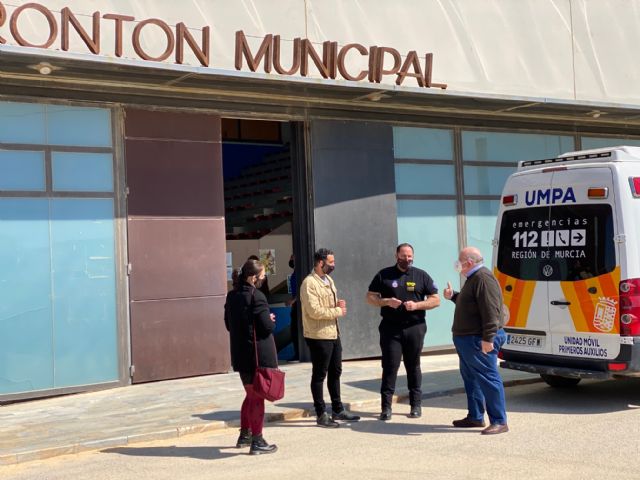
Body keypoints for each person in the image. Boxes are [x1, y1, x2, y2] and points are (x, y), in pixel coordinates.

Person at [366, 243, 440, 421]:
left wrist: (417, 305)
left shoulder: (421, 275)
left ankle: (415, 405)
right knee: (390, 366)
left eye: (410, 256)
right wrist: (385, 302)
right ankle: (386, 408)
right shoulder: (384, 274)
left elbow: (435, 300)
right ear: (396, 256)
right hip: (391, 328)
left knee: (413, 365)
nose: (407, 259)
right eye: (403, 256)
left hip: (415, 327)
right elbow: (369, 297)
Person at [443, 246, 509, 435]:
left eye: (460, 261)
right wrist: (454, 296)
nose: (457, 264)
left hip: (479, 340)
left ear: (469, 262)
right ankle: (476, 416)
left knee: (488, 378)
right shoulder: (473, 279)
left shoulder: (483, 278)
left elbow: (491, 310)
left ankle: (499, 421)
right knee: (472, 379)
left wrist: (488, 338)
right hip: (468, 341)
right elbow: (472, 305)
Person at [300, 248, 361, 427]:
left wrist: (336, 305)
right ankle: (321, 413)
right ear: (320, 263)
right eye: (331, 263)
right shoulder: (309, 283)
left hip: (333, 332)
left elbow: (326, 305)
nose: (333, 265)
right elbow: (314, 311)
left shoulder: (329, 280)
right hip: (318, 335)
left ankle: (338, 409)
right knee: (320, 374)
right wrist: (337, 310)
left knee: (336, 371)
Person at [224, 259, 279, 454]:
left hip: (240, 354)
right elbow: (267, 327)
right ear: (253, 277)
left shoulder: (232, 296)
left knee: (250, 395)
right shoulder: (258, 296)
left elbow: (228, 325)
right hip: (258, 356)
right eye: (262, 276)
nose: (264, 279)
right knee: (257, 398)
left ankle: (245, 435)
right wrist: (270, 319)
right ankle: (257, 440)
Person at [286, 254, 300, 361]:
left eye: (292, 257)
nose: (291, 260)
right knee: (294, 330)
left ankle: (299, 353)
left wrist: (293, 300)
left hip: (299, 306)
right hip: (295, 306)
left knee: (297, 330)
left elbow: (301, 291)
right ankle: (297, 353)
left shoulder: (300, 274)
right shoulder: (294, 274)